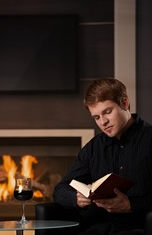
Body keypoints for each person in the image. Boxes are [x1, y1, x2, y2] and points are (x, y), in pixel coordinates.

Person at [53, 77, 152, 235]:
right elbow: (61, 189)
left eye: (108, 112)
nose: (103, 122)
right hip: (97, 228)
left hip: (141, 228)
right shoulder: (94, 147)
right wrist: (76, 198)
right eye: (96, 117)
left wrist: (131, 204)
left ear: (124, 103)